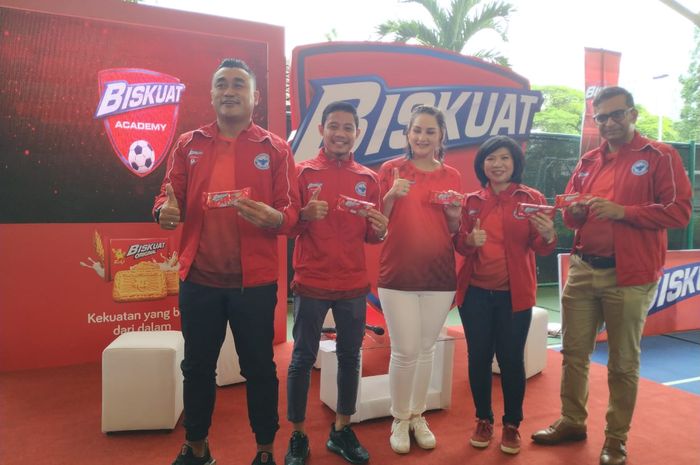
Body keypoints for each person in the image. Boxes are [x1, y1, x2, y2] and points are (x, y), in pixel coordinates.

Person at [531, 87, 692, 465]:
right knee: (573, 354)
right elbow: (570, 215)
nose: (607, 123)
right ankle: (572, 421)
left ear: (633, 114)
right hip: (584, 269)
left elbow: (679, 212)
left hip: (630, 275)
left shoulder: (660, 156)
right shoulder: (588, 160)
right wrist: (577, 214)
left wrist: (623, 212)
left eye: (615, 114)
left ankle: (616, 439)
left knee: (623, 363)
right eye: (600, 117)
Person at [153, 58, 300, 465]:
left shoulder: (275, 148)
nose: (230, 90)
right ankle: (196, 447)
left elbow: (291, 212)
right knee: (197, 367)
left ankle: (265, 450)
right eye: (222, 84)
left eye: (239, 84)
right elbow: (168, 199)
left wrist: (277, 219)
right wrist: (163, 212)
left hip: (253, 283)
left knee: (259, 367)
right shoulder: (188, 144)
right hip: (198, 279)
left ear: (255, 97)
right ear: (212, 95)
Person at [283, 101, 389, 465]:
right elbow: (287, 226)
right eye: (333, 126)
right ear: (322, 130)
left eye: (348, 127)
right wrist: (303, 216)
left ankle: (341, 429)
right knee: (301, 358)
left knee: (350, 357)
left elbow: (372, 238)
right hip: (311, 281)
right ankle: (297, 435)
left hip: (352, 285)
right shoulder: (301, 172)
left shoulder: (369, 179)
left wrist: (379, 229)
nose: (340, 133)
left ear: (357, 133)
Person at [454, 135, 556, 455]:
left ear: (515, 163)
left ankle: (512, 424)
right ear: (481, 164)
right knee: (479, 359)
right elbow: (459, 245)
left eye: (504, 158)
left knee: (511, 360)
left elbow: (540, 247)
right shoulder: (470, 201)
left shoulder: (531, 198)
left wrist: (550, 235)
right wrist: (471, 242)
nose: (497, 165)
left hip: (515, 296)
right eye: (490, 159)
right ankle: (483, 419)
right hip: (475, 296)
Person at [377, 105, 462, 454]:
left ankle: (417, 415)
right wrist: (390, 197)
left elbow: (454, 229)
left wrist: (455, 215)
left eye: (430, 131)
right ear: (407, 134)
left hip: (440, 274)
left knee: (426, 349)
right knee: (405, 349)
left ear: (441, 135)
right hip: (397, 273)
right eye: (417, 131)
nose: (422, 137)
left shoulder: (452, 176)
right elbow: (376, 224)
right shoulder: (390, 170)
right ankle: (399, 417)